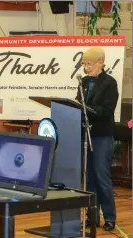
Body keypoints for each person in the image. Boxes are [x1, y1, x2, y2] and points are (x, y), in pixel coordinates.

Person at [75, 48, 118, 231]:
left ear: (100, 63)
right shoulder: (83, 82)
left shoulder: (109, 83)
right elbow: (78, 103)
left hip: (102, 136)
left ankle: (109, 217)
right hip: (86, 135)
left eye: (89, 64)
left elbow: (107, 109)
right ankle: (92, 216)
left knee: (102, 177)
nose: (86, 67)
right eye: (84, 64)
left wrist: (88, 109)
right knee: (89, 178)